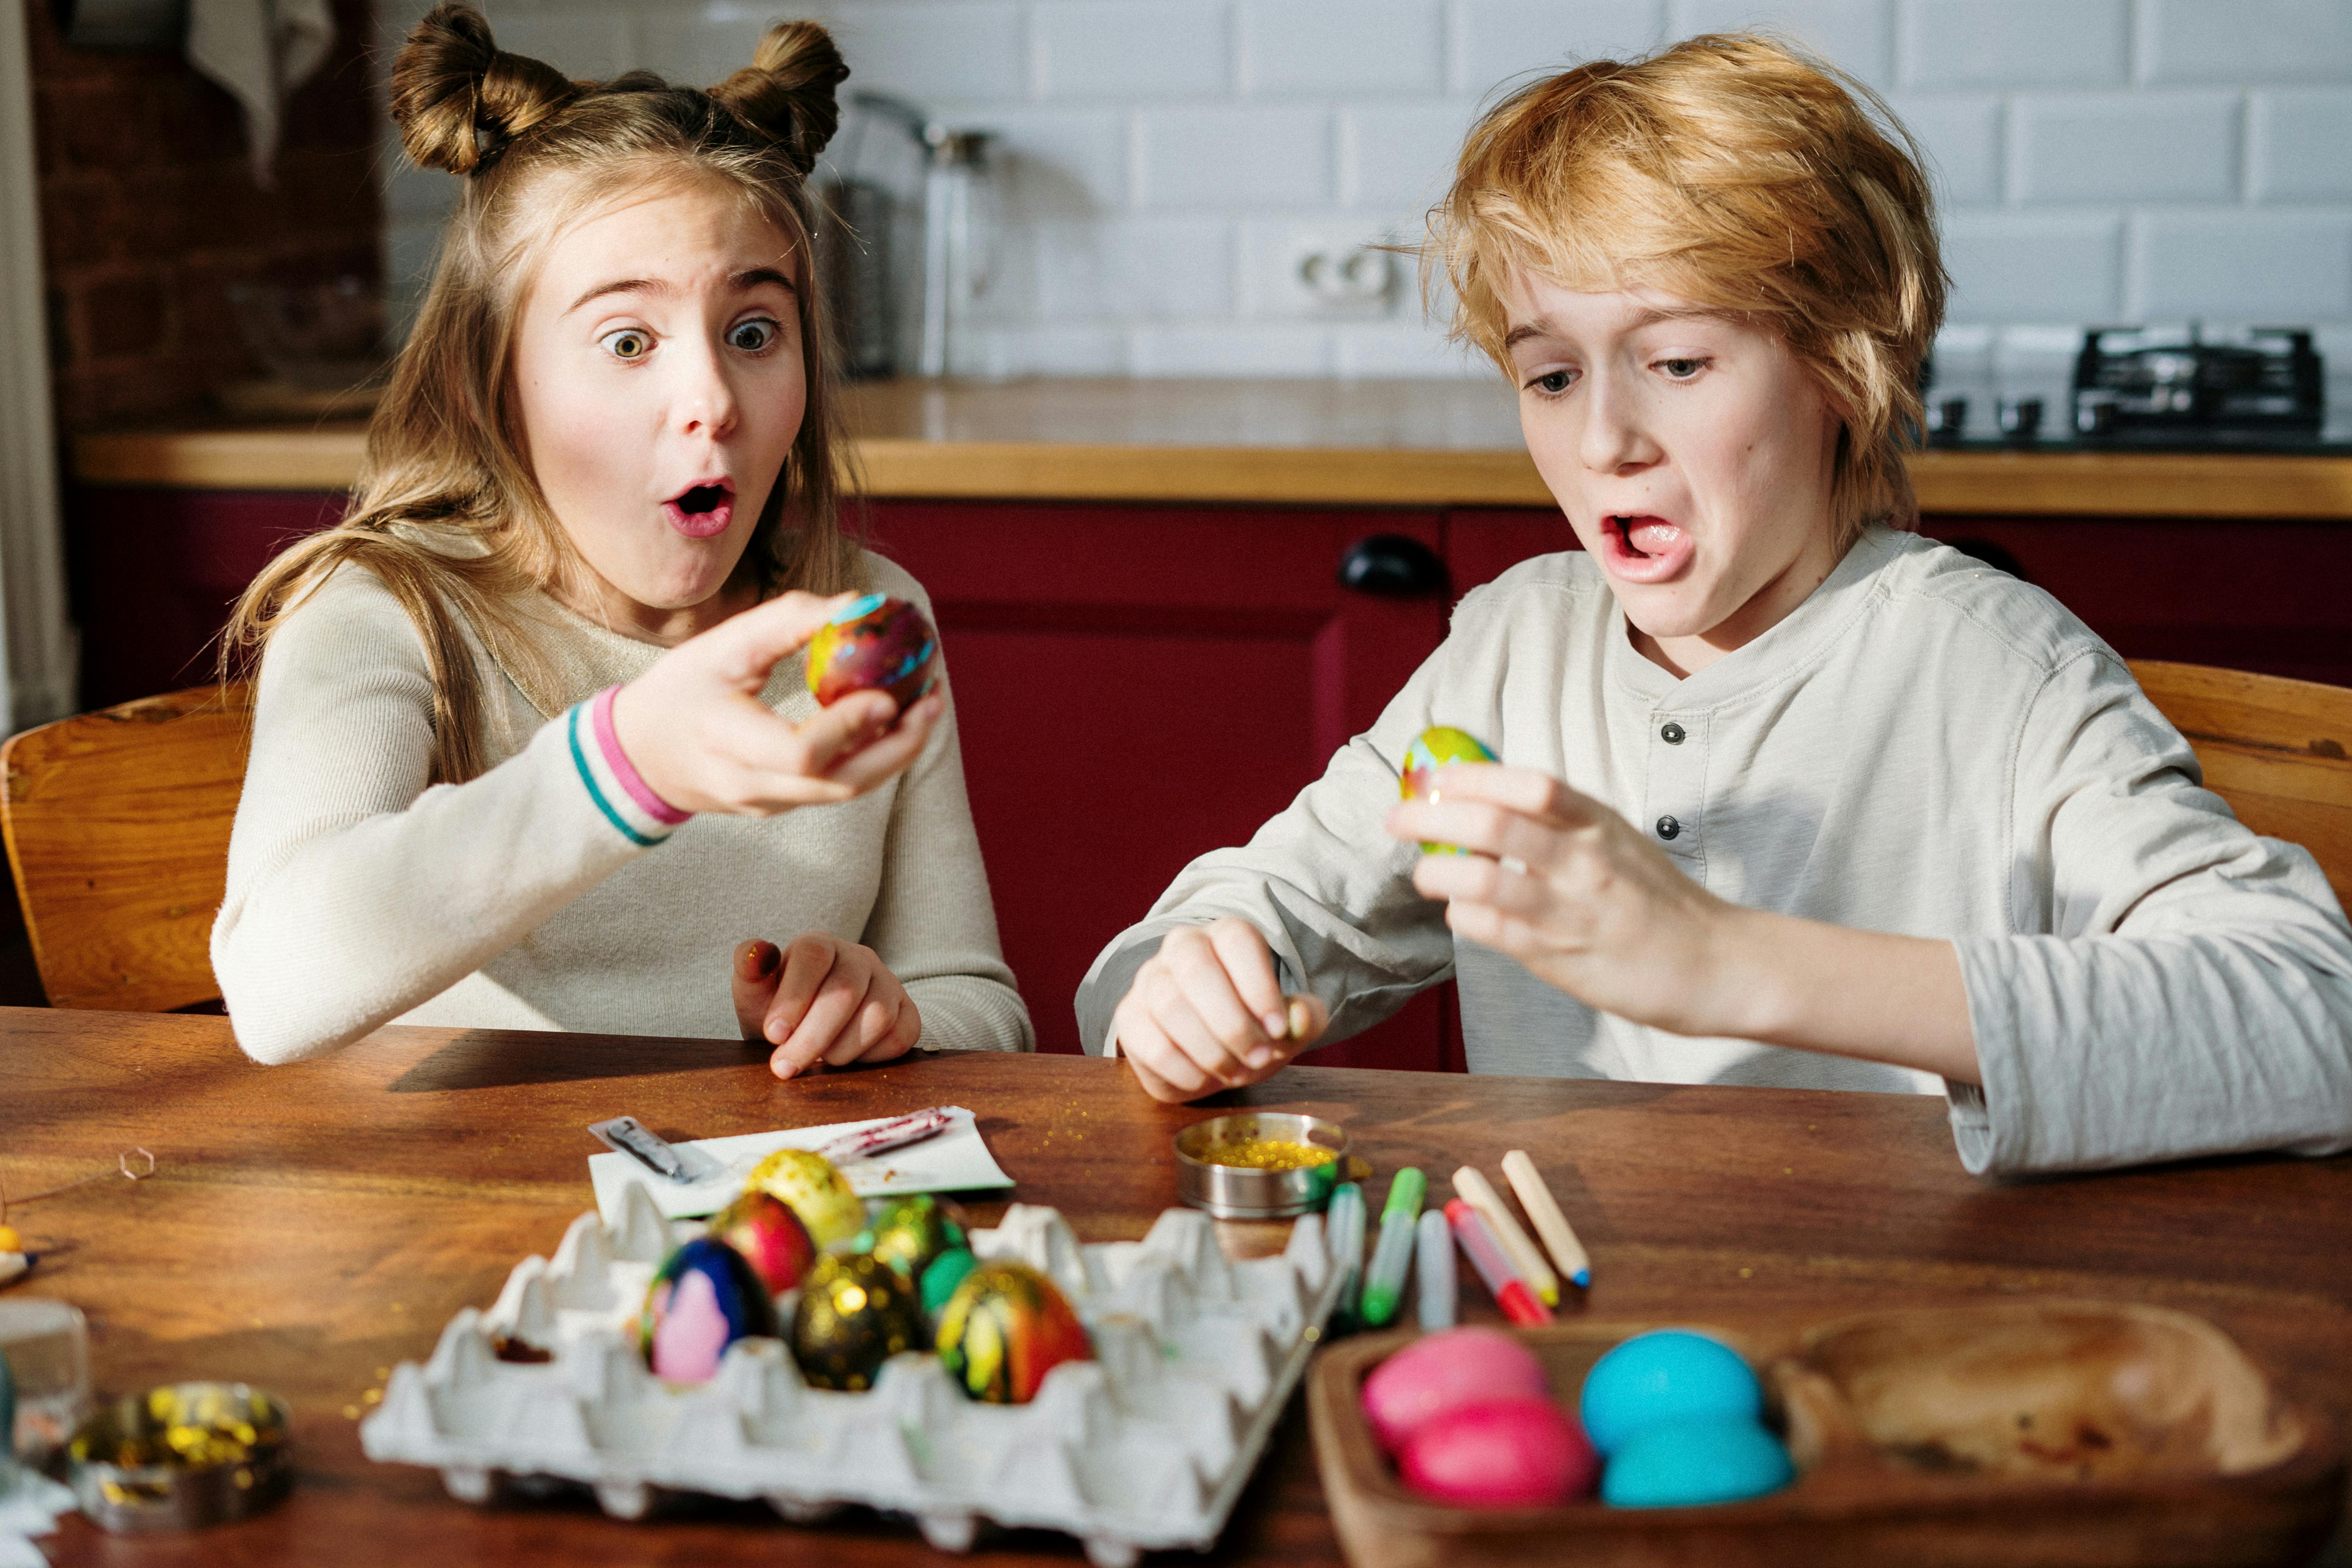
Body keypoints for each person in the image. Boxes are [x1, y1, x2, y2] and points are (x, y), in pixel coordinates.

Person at [1076, 34, 2352, 1174]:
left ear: (1841, 368)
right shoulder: (1513, 654)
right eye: (1551, 376)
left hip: (1900, 1355)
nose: (1604, 441)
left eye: (1677, 362)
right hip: (1564, 1338)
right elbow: (1192, 947)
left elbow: (2314, 1021)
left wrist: (1719, 959)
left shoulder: (1995, 672)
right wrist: (1187, 983)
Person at [212, 6, 1032, 1070]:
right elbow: (277, 989)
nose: (712, 401)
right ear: (490, 385)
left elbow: (978, 1002)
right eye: (628, 340)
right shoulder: (384, 612)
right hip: (458, 1222)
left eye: (752, 333)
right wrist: (626, 765)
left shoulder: (871, 616)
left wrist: (897, 1018)